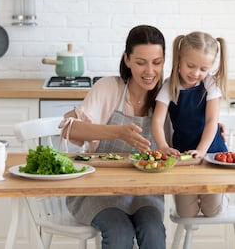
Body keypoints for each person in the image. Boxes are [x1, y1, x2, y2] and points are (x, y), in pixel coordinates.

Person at [59, 25, 166, 249]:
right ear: (127, 60)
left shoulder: (165, 96)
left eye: (157, 62)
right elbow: (70, 128)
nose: (149, 71)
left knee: (154, 232)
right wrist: (118, 132)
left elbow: (189, 131)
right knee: (119, 233)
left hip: (144, 193)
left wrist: (212, 127)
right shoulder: (109, 88)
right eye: (140, 62)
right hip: (98, 192)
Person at [151, 31, 228, 218]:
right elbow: (157, 120)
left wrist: (201, 151)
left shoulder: (210, 84)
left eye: (203, 69)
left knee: (212, 211)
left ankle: (222, 196)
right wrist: (162, 146)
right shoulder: (169, 86)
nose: (195, 73)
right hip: (183, 155)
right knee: (186, 213)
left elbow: (211, 121)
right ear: (179, 59)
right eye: (190, 66)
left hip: (211, 153)